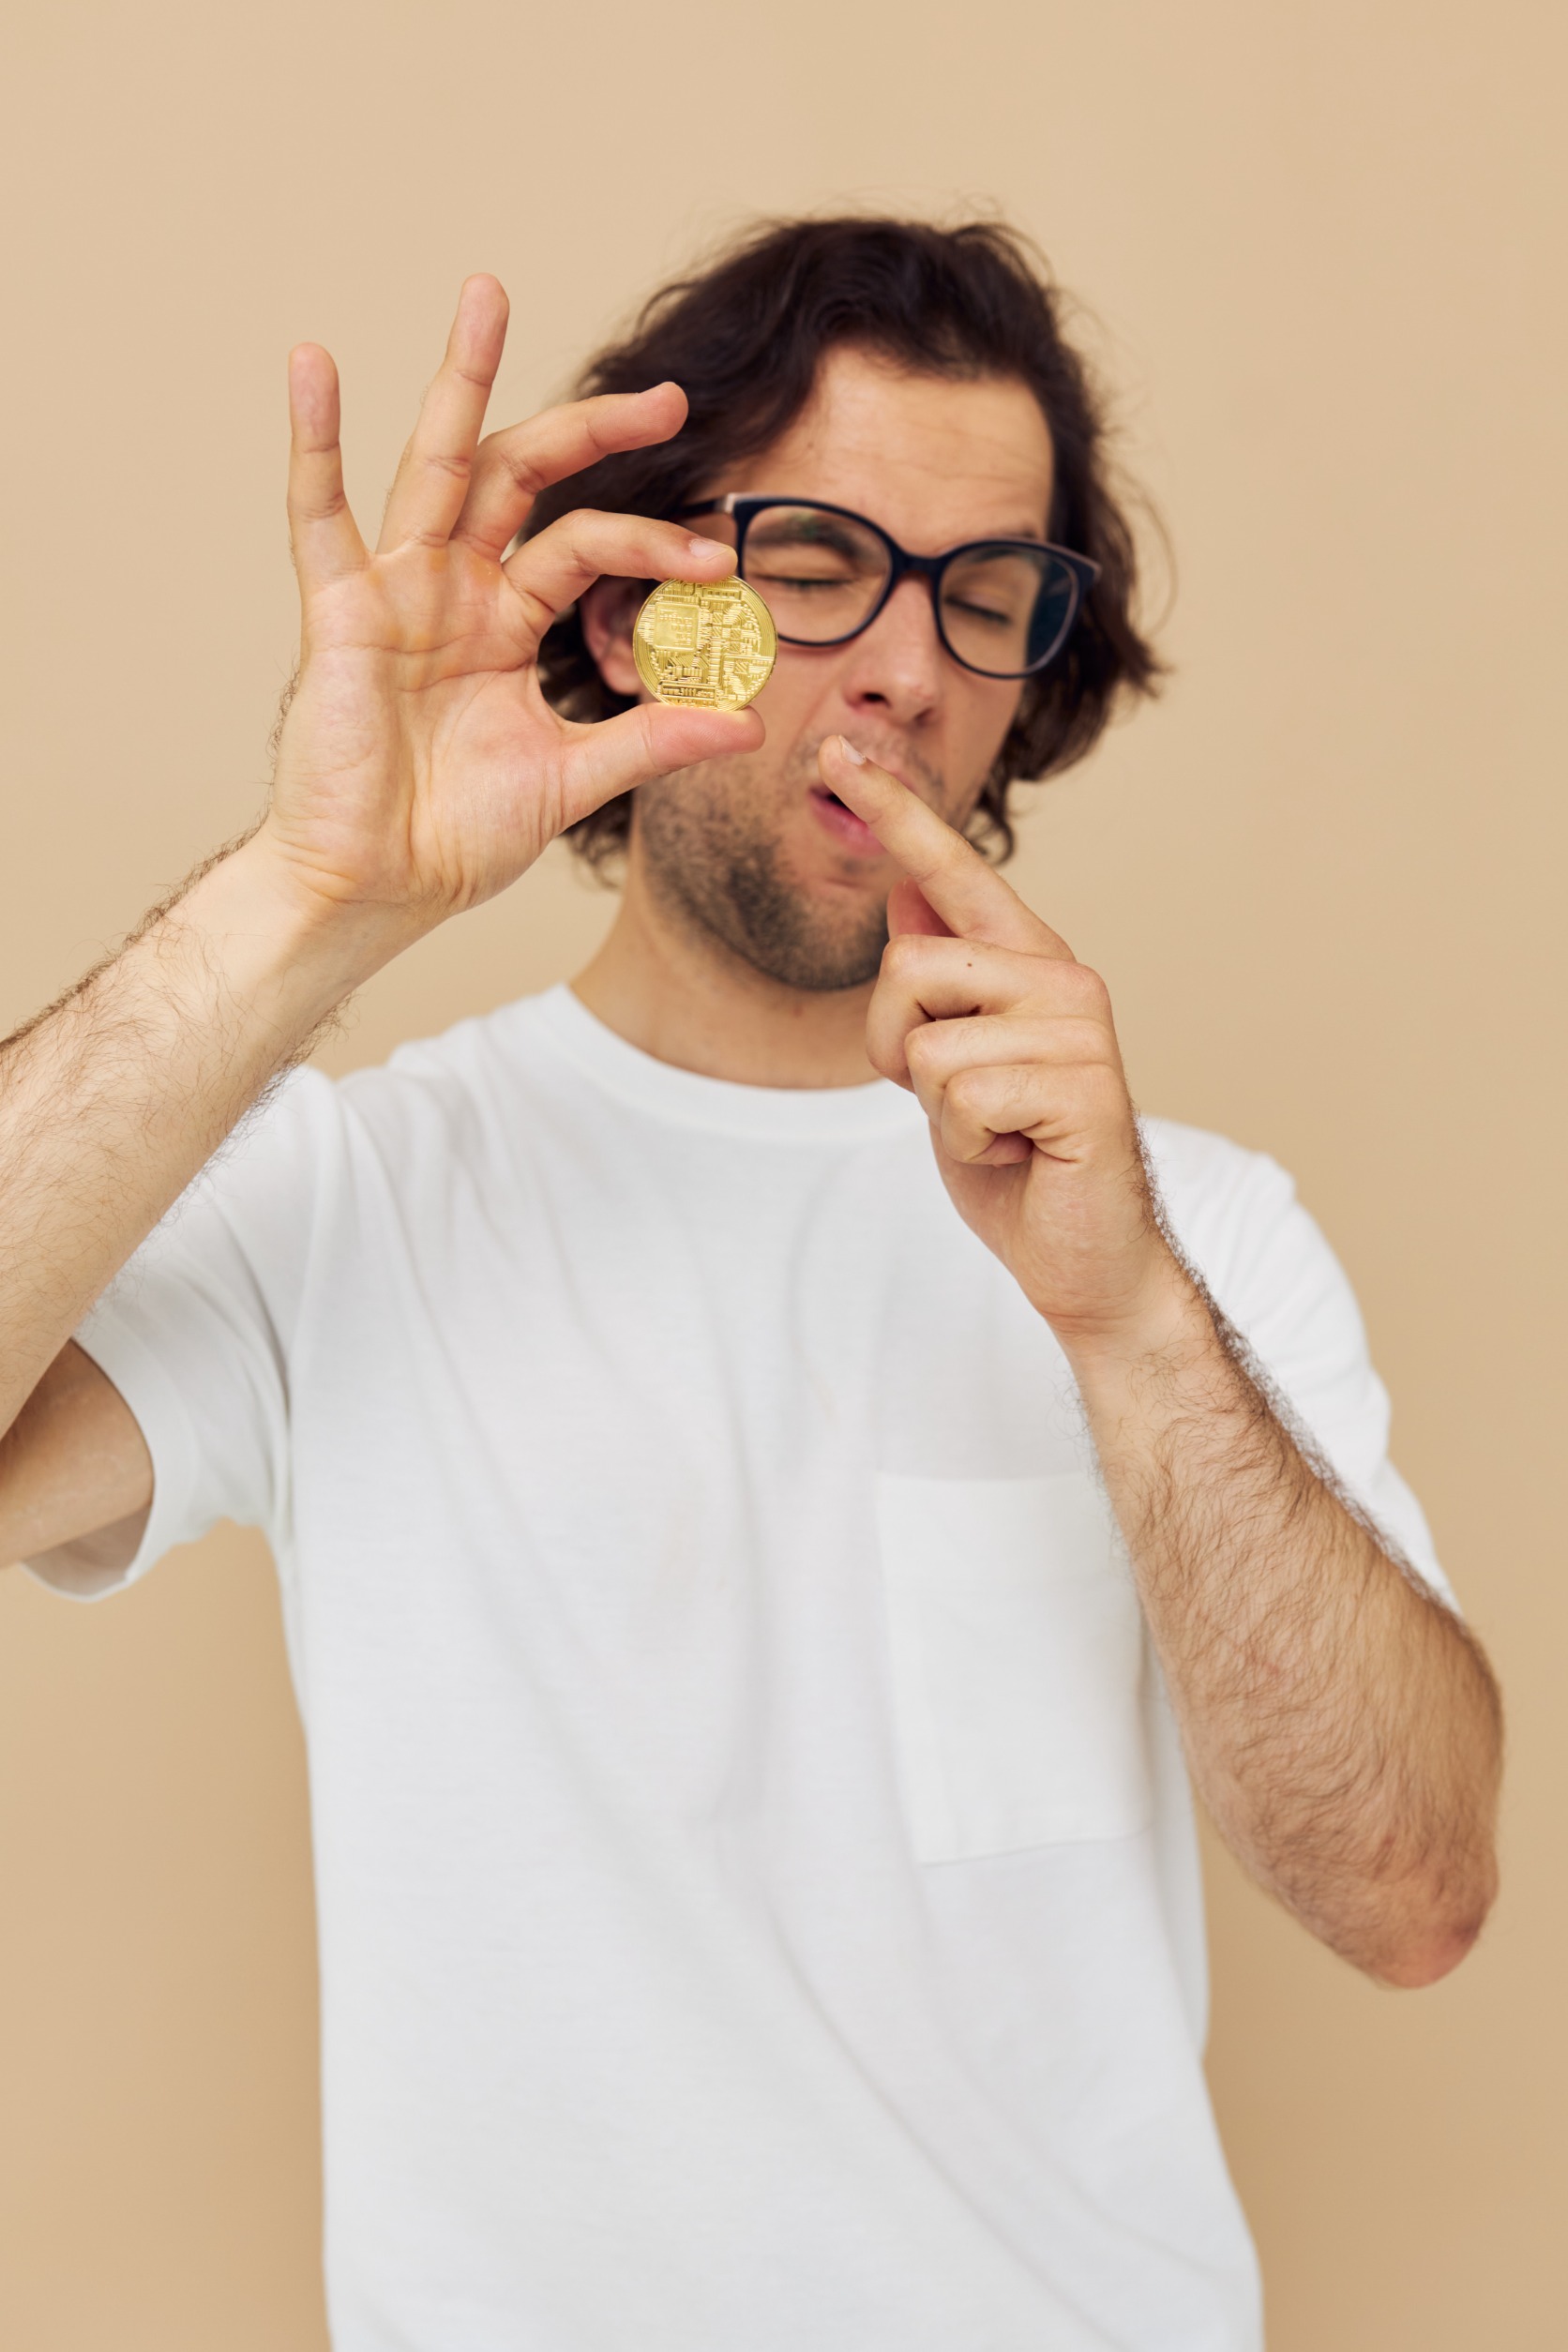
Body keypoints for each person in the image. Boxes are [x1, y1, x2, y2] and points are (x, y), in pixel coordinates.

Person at [0, 218, 1500, 2349]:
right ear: (636, 614)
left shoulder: (1202, 1241)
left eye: (984, 592)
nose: (902, 669)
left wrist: (1129, 1324)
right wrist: (311, 891)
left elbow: (1413, 1896)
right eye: (813, 564)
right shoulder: (359, 1199)